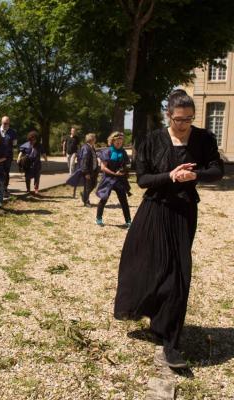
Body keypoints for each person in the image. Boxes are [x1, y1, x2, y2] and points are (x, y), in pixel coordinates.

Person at [114, 89, 224, 369]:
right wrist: (171, 175)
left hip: (183, 211)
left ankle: (171, 342)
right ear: (168, 115)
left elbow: (217, 170)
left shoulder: (203, 139)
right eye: (179, 119)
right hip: (153, 209)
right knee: (142, 265)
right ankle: (153, 316)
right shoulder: (151, 140)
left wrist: (195, 175)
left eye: (189, 118)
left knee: (178, 273)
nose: (184, 124)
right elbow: (143, 180)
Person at [95, 131, 132, 227]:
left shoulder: (123, 152)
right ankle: (98, 219)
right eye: (117, 141)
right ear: (112, 141)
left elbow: (127, 164)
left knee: (124, 201)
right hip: (108, 179)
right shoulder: (107, 151)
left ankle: (128, 221)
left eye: (121, 141)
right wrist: (114, 173)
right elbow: (103, 168)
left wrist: (125, 170)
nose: (119, 143)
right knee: (104, 199)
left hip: (120, 180)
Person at [0, 116, 17, 196]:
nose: (5, 125)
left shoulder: (12, 132)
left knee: (6, 172)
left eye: (7, 123)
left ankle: (5, 188)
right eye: (4, 123)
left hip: (8, 156)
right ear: (1, 122)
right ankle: (0, 188)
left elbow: (15, 143)